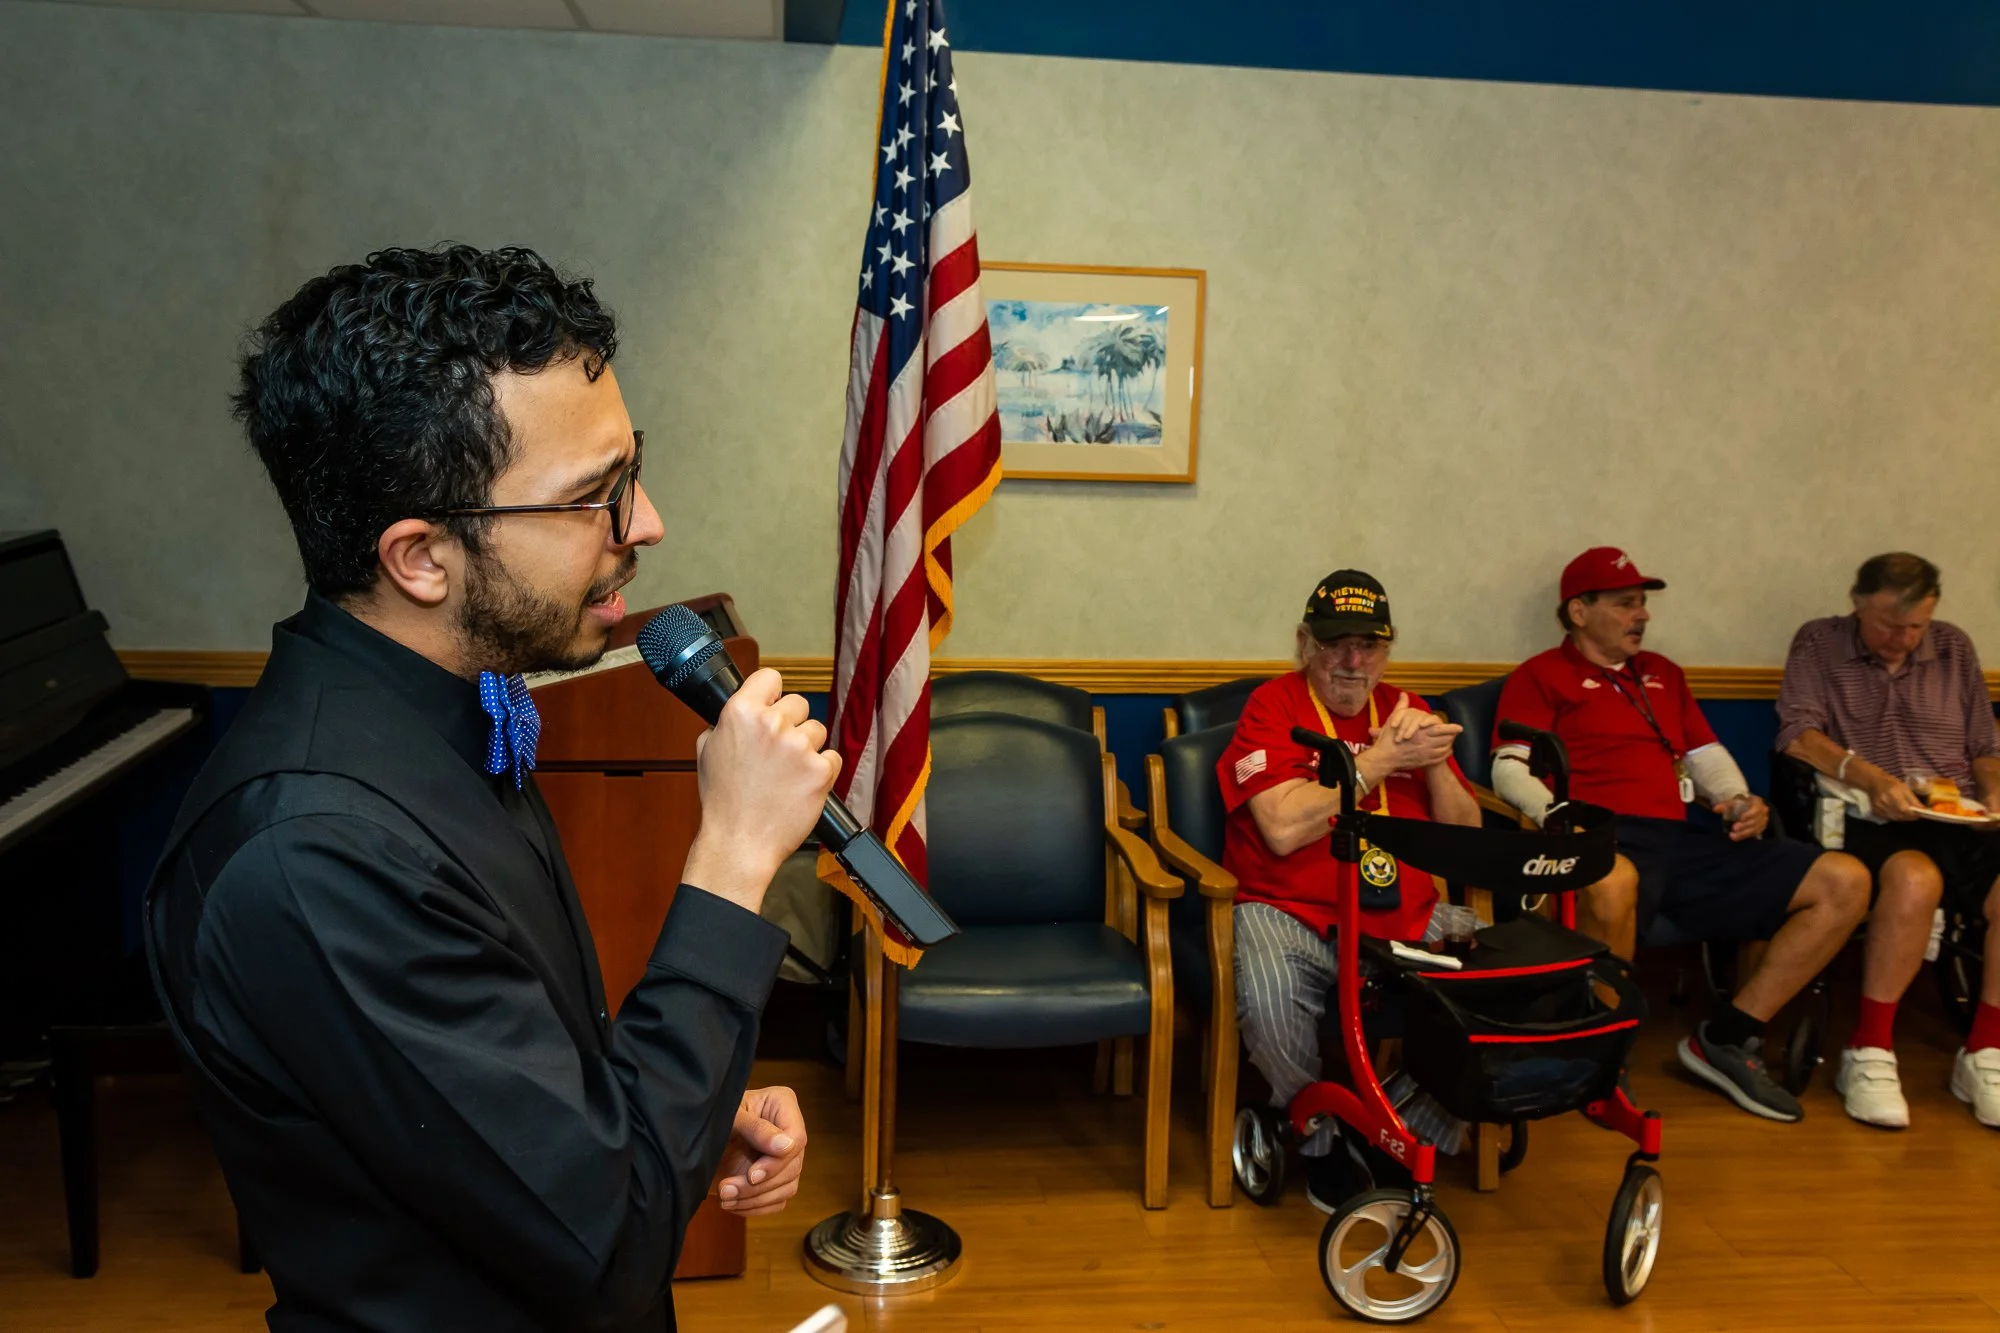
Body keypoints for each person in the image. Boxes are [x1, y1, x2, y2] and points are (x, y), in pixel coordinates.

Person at [146, 245, 836, 1332]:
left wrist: (683, 1103)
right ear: (421, 557)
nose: (645, 523)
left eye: (632, 472)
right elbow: (605, 1243)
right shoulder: (314, 851)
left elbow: (511, 1096)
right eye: (592, 498)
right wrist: (734, 856)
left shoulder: (461, 708)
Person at [1492, 547, 1868, 1123]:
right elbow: (1508, 768)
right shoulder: (1540, 675)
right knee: (1612, 881)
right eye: (1625, 604)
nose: (1641, 615)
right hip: (1603, 834)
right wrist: (1557, 817)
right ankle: (1600, 1056)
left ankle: (1728, 1036)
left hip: (1683, 836)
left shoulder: (1663, 674)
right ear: (1579, 612)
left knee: (1844, 880)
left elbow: (1704, 755)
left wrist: (1738, 799)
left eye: (1642, 603)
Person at [1218, 571, 1488, 1212]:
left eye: (1369, 645)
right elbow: (1283, 829)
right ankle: (1320, 1139)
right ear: (1304, 644)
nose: (1353, 661)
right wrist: (1380, 762)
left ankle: (1397, 1128)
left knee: (1501, 982)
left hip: (1403, 913)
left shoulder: (1407, 708)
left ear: (1387, 650)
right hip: (1290, 909)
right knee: (1269, 996)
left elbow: (1466, 839)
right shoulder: (1272, 707)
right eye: (1336, 644)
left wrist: (1434, 765)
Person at [1777, 552, 2000, 1129]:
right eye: (1888, 625)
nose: (1903, 640)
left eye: (1916, 626)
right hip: (1866, 813)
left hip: (1955, 813)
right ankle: (1870, 1048)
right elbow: (1798, 734)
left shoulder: (1953, 648)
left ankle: (1985, 1050)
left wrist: (1994, 794)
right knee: (1914, 878)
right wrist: (1871, 778)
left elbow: (1984, 748)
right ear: (1857, 603)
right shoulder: (1820, 643)